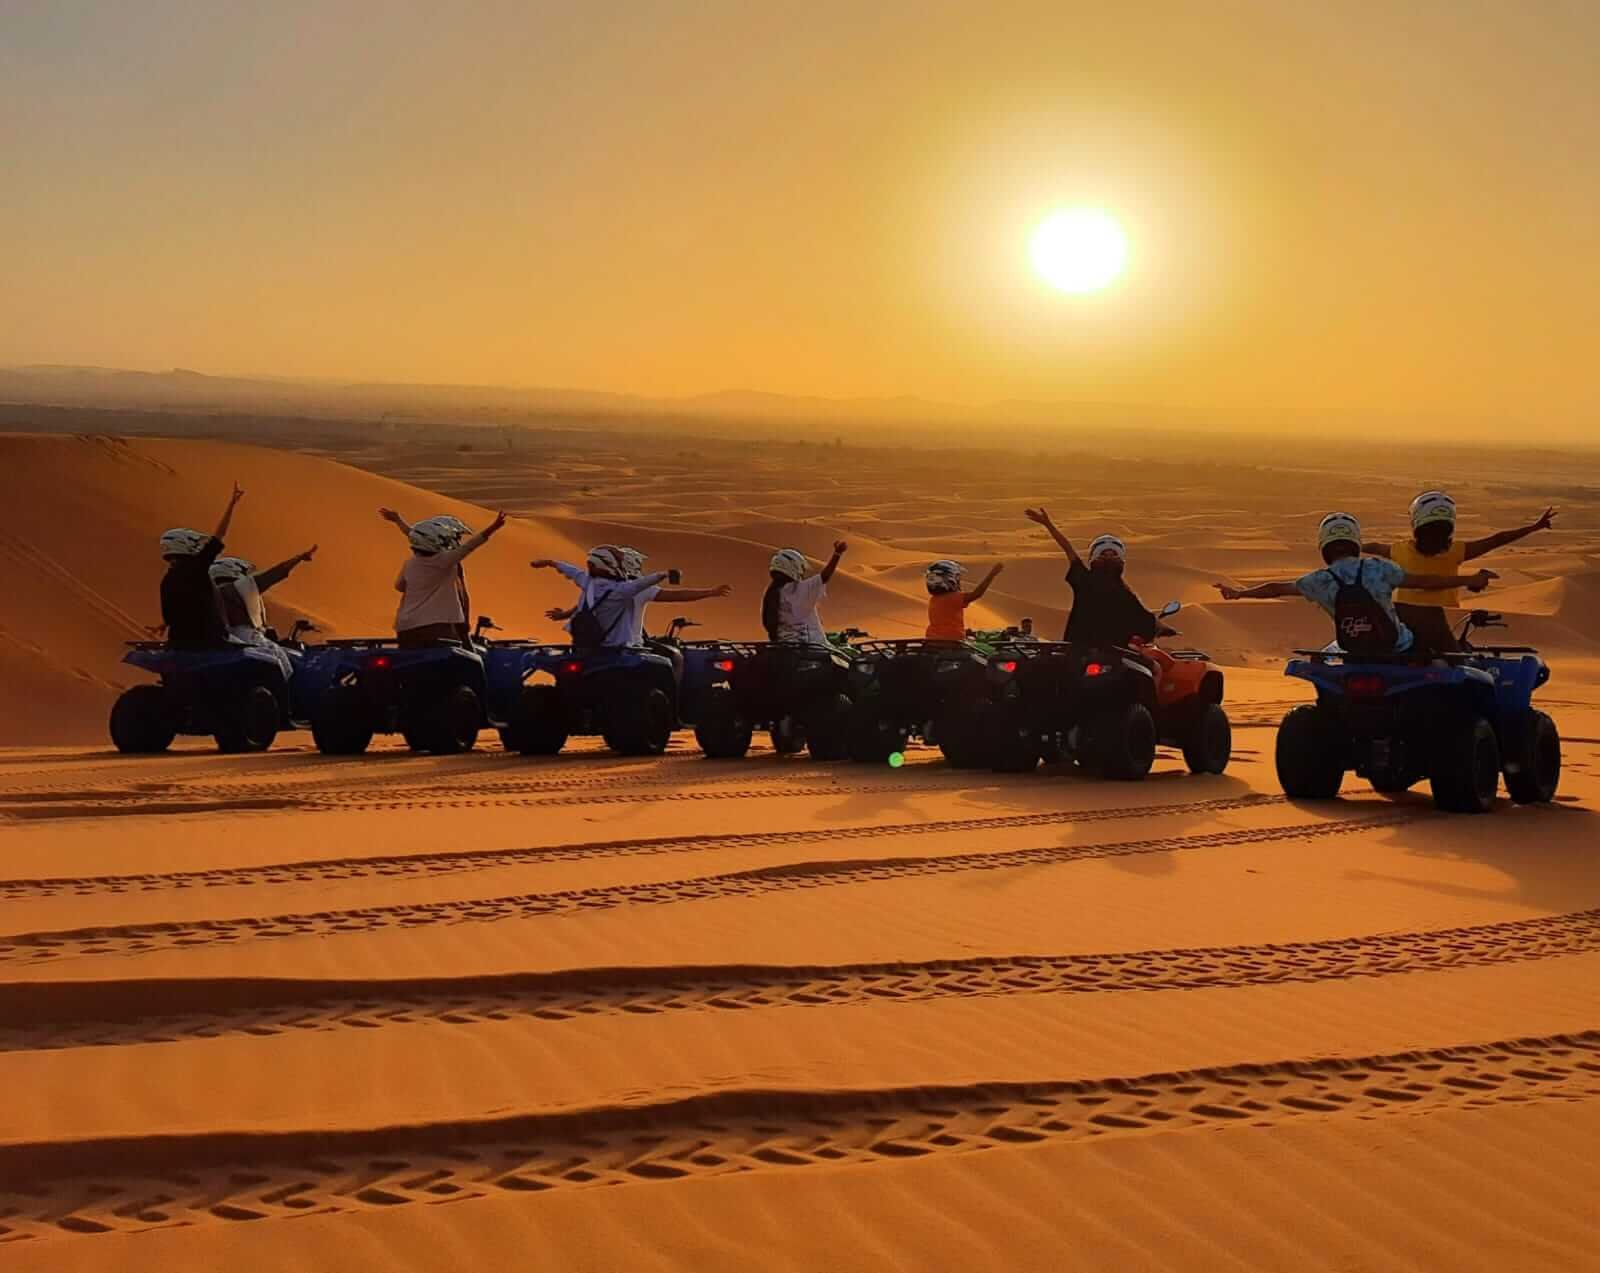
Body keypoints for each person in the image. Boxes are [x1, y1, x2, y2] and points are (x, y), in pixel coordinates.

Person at [1212, 512, 1495, 656]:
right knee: (1443, 662)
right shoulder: (1377, 569)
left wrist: (1238, 594)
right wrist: (1468, 579)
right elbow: (1425, 582)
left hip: (1352, 652)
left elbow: (1275, 588)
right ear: (1355, 542)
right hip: (1398, 648)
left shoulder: (1320, 581)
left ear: (1325, 546)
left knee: (1325, 663)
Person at [1363, 491, 1556, 653]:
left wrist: (1347, 547)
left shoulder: (1399, 550)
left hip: (1399, 616)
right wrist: (1533, 528)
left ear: (1416, 523)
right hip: (1435, 622)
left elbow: (1374, 547)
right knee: (1459, 665)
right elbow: (1497, 540)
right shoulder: (1457, 551)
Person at [1024, 507, 1158, 647]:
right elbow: (1068, 549)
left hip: (1079, 649)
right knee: (1154, 666)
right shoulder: (1116, 590)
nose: (1108, 559)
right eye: (1104, 555)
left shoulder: (1089, 581)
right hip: (1111, 653)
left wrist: (1048, 525)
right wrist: (1048, 525)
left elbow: (1143, 616)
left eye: (1112, 555)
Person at [388, 509, 508, 644]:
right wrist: (493, 527)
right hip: (437, 627)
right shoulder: (446, 560)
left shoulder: (410, 563)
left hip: (405, 629)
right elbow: (470, 545)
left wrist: (398, 521)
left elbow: (399, 586)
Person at [531, 545, 682, 648]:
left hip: (585, 648)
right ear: (609, 564)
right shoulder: (620, 590)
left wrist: (550, 562)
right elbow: (641, 583)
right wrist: (663, 574)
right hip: (617, 648)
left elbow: (570, 571)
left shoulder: (587, 582)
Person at [209, 546, 318, 677]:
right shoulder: (237, 588)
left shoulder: (212, 594)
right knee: (282, 662)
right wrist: (296, 559)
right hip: (247, 637)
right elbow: (273, 575)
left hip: (231, 640)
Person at [158, 482, 244, 647]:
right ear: (183, 545)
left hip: (179, 641)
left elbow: (171, 613)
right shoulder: (196, 567)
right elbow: (218, 537)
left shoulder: (167, 580)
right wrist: (232, 505)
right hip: (209, 640)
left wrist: (164, 625)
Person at [763, 542, 846, 644]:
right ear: (793, 567)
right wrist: (837, 553)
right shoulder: (797, 590)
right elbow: (824, 577)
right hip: (812, 646)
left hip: (785, 645)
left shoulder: (772, 594)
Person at [924, 559, 1005, 640]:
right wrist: (992, 574)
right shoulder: (952, 598)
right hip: (952, 643)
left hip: (932, 640)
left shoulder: (934, 600)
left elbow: (944, 625)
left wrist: (964, 631)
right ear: (950, 579)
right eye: (957, 578)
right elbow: (976, 594)